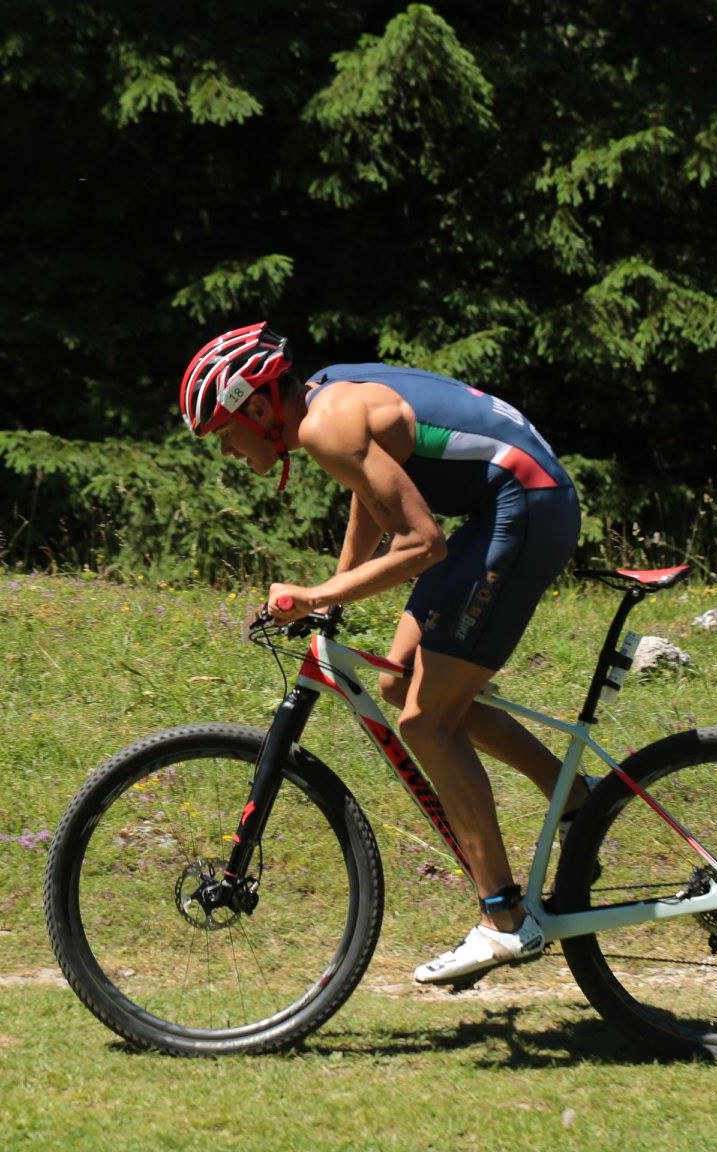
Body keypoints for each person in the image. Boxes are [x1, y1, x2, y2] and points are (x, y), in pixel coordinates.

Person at [178, 321, 584, 986]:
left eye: (224, 433)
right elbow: (374, 495)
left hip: (527, 505)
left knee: (427, 721)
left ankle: (505, 921)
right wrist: (334, 598)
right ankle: (578, 804)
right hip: (505, 504)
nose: (226, 450)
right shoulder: (325, 399)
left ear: (256, 406)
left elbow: (424, 544)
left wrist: (312, 595)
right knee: (401, 686)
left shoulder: (323, 427)